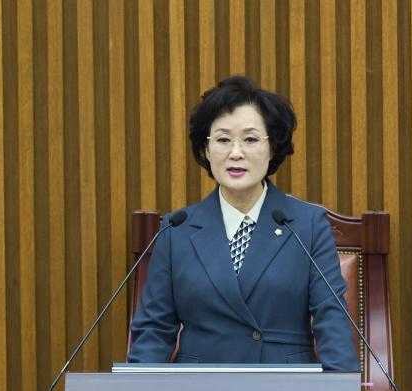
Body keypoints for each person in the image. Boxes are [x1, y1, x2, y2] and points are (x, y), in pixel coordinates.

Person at [127, 76, 359, 373]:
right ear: (206, 149)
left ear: (272, 148)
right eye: (223, 140)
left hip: (284, 388)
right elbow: (154, 330)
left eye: (250, 139)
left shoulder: (307, 225)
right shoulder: (177, 229)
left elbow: (331, 318)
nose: (236, 153)